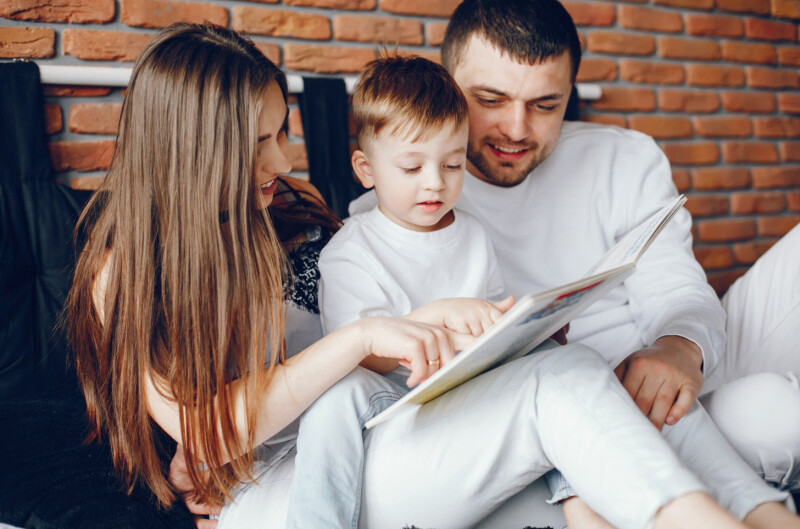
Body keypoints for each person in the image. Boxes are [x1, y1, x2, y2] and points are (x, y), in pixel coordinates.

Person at [349, 0, 800, 525]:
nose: (516, 129)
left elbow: (677, 287)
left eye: (545, 105)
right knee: (772, 416)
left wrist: (679, 350)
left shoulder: (625, 159)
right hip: (564, 415)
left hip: (667, 376)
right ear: (448, 85)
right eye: (490, 100)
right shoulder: (398, 211)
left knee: (754, 407)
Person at [65, 22, 475, 527]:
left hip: (371, 420)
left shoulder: (292, 203)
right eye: (259, 141)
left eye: (282, 132)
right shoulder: (120, 274)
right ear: (193, 147)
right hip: (277, 473)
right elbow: (203, 434)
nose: (282, 160)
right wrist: (359, 337)